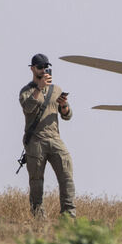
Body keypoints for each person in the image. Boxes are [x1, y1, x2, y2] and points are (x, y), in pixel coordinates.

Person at [19, 53, 76, 218]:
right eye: (40, 67)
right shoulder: (27, 90)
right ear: (32, 69)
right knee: (36, 181)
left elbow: (67, 115)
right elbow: (28, 107)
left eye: (46, 67)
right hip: (35, 142)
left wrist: (64, 106)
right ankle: (38, 216)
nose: (44, 70)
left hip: (55, 139)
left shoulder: (55, 89)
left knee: (67, 175)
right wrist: (39, 88)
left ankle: (68, 215)